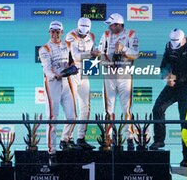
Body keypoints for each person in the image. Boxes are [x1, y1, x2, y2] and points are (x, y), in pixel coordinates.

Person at [150, 28, 187, 167]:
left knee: (185, 120)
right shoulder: (168, 46)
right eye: (172, 42)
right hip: (173, 84)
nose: (174, 45)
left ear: (183, 38)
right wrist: (166, 76)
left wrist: (175, 77)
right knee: (157, 108)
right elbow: (163, 65)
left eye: (177, 42)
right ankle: (159, 140)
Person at [39, 21, 82, 164]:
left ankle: (65, 140)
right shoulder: (44, 49)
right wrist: (55, 75)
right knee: (52, 118)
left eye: (57, 31)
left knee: (72, 115)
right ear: (49, 32)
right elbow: (47, 68)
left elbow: (72, 63)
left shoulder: (68, 45)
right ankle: (51, 152)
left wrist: (72, 68)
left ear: (62, 32)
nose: (55, 34)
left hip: (65, 83)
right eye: (52, 31)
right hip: (52, 84)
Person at [97, 13, 139, 151]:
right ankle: (107, 138)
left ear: (119, 25)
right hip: (109, 76)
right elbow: (100, 52)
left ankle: (130, 138)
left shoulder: (131, 34)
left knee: (126, 108)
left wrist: (123, 49)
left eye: (112, 24)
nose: (109, 26)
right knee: (108, 109)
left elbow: (135, 54)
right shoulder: (106, 35)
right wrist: (108, 63)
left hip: (124, 76)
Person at [65, 17, 99, 150]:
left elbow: (94, 52)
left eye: (85, 32)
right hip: (72, 73)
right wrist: (91, 53)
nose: (83, 34)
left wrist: (97, 55)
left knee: (85, 106)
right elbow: (75, 55)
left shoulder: (92, 36)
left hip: (85, 73)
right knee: (72, 108)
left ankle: (81, 138)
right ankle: (66, 138)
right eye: (81, 31)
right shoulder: (70, 35)